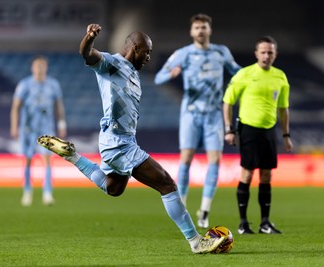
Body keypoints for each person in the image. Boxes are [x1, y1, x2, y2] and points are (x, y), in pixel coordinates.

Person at [37, 23, 224, 253]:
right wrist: (89, 38)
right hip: (118, 142)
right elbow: (86, 53)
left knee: (113, 188)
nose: (148, 57)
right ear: (135, 48)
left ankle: (73, 156)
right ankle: (196, 241)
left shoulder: (133, 74)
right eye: (147, 52)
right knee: (167, 184)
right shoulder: (112, 64)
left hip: (119, 140)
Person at [154, 13, 241, 228]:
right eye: (197, 28)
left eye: (204, 27)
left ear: (210, 30)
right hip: (190, 114)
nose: (200, 31)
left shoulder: (221, 52)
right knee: (186, 159)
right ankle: (181, 205)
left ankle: (204, 210)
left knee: (215, 160)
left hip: (213, 114)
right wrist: (171, 74)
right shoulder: (182, 54)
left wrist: (247, 79)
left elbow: (238, 72)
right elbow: (158, 77)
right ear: (191, 32)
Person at [223, 36, 293, 234]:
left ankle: (265, 223)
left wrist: (286, 134)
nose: (266, 55)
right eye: (262, 52)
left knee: (267, 174)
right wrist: (229, 129)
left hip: (269, 130)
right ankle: (243, 223)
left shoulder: (280, 77)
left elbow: (283, 108)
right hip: (249, 129)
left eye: (270, 52)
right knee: (247, 173)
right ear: (256, 54)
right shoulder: (244, 74)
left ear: (275, 54)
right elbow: (227, 102)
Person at [10, 55, 67, 206]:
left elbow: (58, 105)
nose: (40, 68)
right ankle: (27, 192)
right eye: (37, 65)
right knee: (28, 160)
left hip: (46, 127)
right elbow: (16, 107)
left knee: (48, 159)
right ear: (32, 67)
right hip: (28, 128)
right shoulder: (25, 84)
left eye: (42, 65)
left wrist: (61, 124)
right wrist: (14, 126)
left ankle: (47, 193)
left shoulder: (53, 84)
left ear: (46, 67)